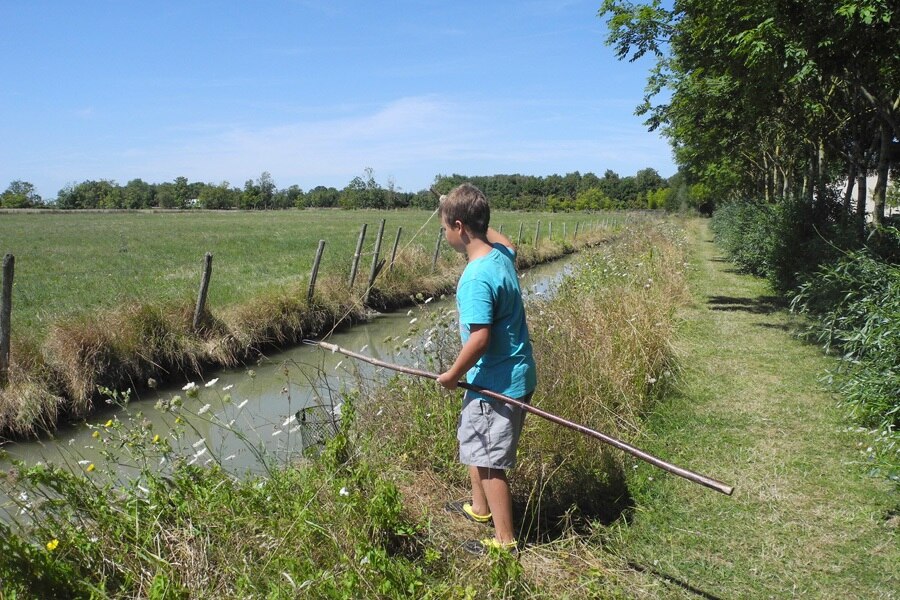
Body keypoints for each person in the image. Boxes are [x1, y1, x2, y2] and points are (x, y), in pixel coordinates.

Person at [435, 183, 537, 555]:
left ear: (459, 227)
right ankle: (479, 509)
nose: (443, 232)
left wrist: (450, 375)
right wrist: (461, 208)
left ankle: (505, 541)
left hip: (498, 384)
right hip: (506, 376)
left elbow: (479, 339)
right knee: (476, 442)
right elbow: (505, 238)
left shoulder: (476, 276)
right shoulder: (501, 256)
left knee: (492, 463)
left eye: (445, 225)